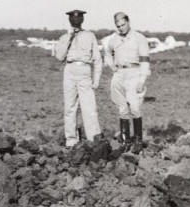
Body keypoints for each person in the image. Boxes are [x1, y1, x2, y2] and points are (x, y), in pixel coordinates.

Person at [54, 10, 103, 149]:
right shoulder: (64, 37)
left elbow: (97, 59)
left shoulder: (89, 36)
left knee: (89, 107)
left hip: (84, 70)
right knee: (70, 107)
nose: (76, 20)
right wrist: (69, 38)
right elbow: (59, 57)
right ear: (69, 20)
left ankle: (93, 139)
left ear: (82, 19)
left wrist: (96, 79)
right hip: (69, 70)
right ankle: (71, 140)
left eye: (79, 17)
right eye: (73, 18)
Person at [103, 12, 151, 152]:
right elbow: (107, 52)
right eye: (118, 26)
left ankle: (138, 141)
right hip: (119, 74)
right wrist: (111, 64)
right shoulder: (113, 39)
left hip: (134, 73)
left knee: (135, 108)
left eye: (123, 25)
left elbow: (145, 61)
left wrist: (142, 80)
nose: (121, 28)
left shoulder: (139, 38)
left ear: (128, 22)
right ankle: (125, 142)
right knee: (122, 109)